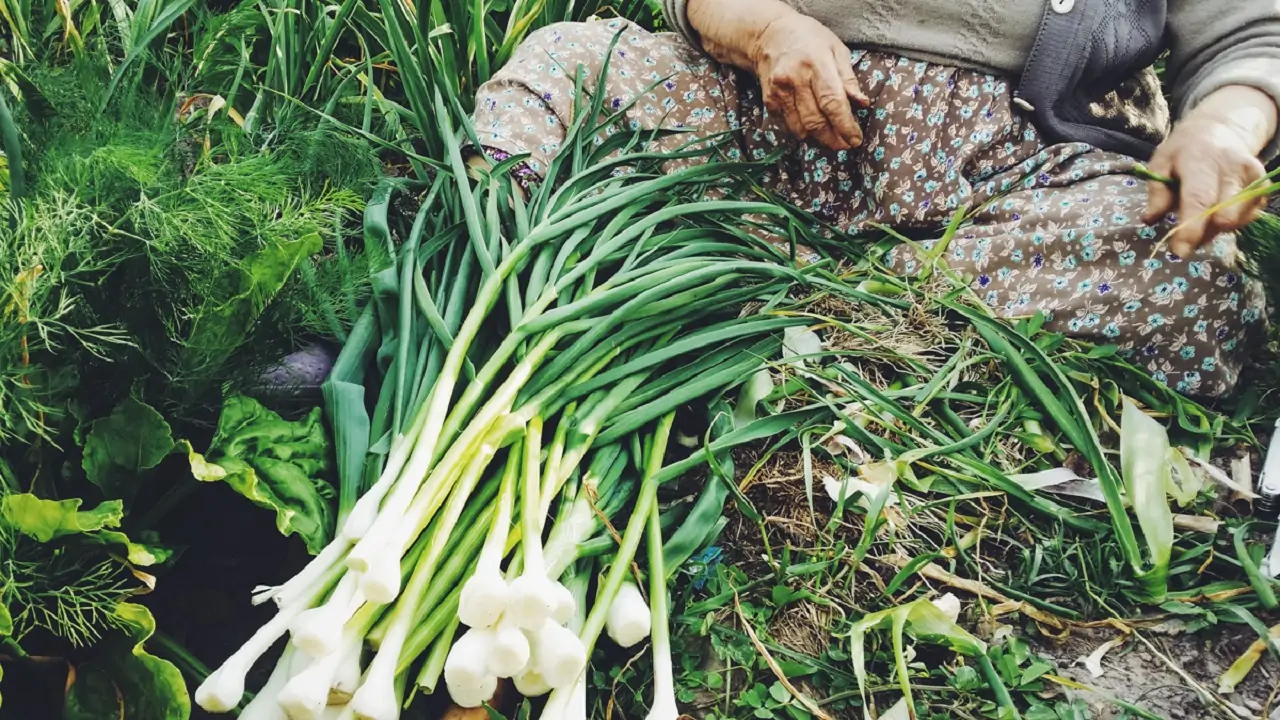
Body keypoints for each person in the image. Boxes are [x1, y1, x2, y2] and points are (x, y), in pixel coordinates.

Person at [468, 0, 1280, 396]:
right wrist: (767, 31)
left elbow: (1250, 37)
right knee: (564, 72)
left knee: (1182, 271)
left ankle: (747, 290)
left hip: (1010, 174)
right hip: (763, 112)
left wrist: (1222, 125)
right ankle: (816, 303)